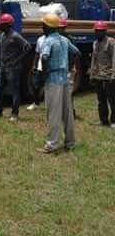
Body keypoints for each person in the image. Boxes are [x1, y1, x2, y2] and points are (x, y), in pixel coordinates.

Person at [39, 13, 80, 153]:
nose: (42, 27)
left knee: (54, 113)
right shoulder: (64, 39)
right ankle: (70, 142)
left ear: (48, 27)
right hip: (64, 79)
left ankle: (52, 144)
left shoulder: (48, 41)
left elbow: (44, 57)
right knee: (67, 113)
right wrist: (70, 66)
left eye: (43, 25)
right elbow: (77, 53)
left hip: (53, 80)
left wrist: (44, 74)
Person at [0, 13, 30, 121]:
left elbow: (28, 47)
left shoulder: (15, 36)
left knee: (14, 90)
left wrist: (17, 60)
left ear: (6, 25)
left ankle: (14, 113)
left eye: (1, 24)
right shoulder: (3, 35)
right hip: (3, 67)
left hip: (13, 68)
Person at [90, 21, 115, 128]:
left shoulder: (111, 42)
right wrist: (92, 74)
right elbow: (93, 60)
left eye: (100, 31)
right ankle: (103, 120)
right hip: (98, 75)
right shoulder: (95, 43)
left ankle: (113, 121)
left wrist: (113, 75)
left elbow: (114, 58)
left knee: (112, 99)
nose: (98, 33)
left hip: (109, 75)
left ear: (105, 31)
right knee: (101, 99)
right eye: (97, 31)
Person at [58, 18, 80, 120]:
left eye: (62, 28)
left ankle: (71, 113)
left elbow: (76, 54)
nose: (60, 30)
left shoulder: (69, 39)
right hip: (60, 69)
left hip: (68, 70)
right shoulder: (57, 39)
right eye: (59, 28)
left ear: (65, 28)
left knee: (68, 93)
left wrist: (70, 66)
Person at [26, 33, 45, 110]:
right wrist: (34, 65)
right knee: (36, 86)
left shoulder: (55, 40)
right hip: (40, 67)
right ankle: (36, 103)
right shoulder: (40, 39)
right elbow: (37, 53)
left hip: (51, 68)